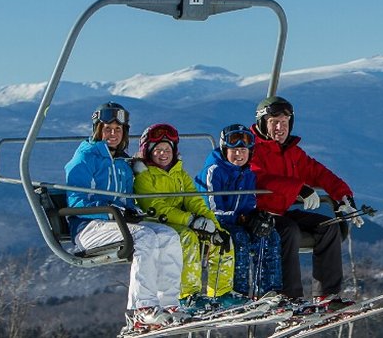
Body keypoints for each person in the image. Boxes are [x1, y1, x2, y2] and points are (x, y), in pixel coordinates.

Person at [63, 102, 188, 333]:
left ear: (124, 133)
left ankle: (169, 303)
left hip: (116, 223)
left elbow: (126, 201)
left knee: (169, 235)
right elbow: (77, 203)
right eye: (107, 129)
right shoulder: (84, 159)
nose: (113, 134)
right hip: (88, 227)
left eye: (118, 130)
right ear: (97, 130)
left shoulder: (122, 162)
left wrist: (131, 211)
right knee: (145, 237)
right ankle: (142, 309)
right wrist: (114, 211)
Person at [248, 96, 365, 308]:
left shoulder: (291, 152)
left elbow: (317, 172)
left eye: (284, 123)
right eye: (274, 122)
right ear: (263, 123)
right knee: (289, 231)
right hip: (257, 215)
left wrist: (343, 195)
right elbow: (257, 177)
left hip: (280, 212)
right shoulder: (252, 148)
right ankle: (289, 297)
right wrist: (298, 188)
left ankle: (327, 296)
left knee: (328, 228)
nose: (280, 128)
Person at [131, 123, 244, 315]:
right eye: (157, 150)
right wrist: (191, 221)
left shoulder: (179, 173)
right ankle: (187, 295)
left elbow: (195, 202)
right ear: (148, 152)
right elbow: (155, 207)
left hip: (183, 221)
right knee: (188, 239)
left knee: (222, 239)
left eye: (167, 149)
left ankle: (221, 292)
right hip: (158, 224)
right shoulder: (144, 176)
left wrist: (214, 227)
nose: (163, 154)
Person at [195, 124, 283, 298]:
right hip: (212, 222)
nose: (239, 155)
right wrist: (242, 220)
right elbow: (212, 208)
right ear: (224, 150)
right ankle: (237, 291)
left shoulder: (248, 172)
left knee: (269, 236)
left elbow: (249, 201)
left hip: (236, 221)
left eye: (243, 151)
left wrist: (256, 217)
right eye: (234, 151)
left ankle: (269, 290)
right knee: (239, 240)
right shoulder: (214, 171)